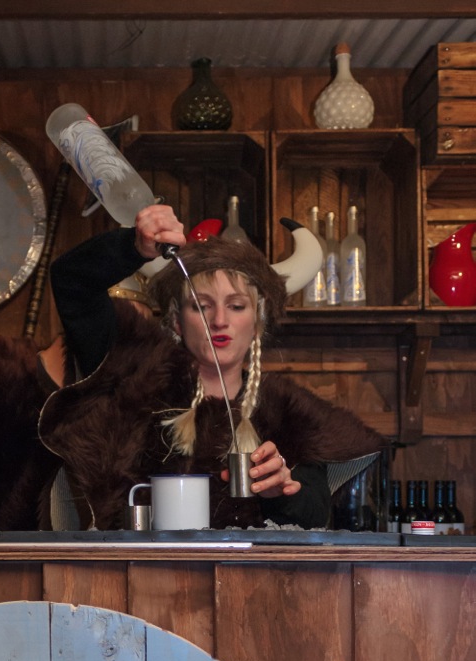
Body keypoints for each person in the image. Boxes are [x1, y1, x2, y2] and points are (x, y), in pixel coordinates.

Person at [42, 203, 385, 530]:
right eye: (201, 306)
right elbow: (71, 280)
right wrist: (132, 246)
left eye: (236, 306)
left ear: (257, 323)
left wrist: (281, 490)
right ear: (177, 322)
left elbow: (315, 514)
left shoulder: (288, 413)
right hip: (131, 569)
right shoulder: (131, 377)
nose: (219, 320)